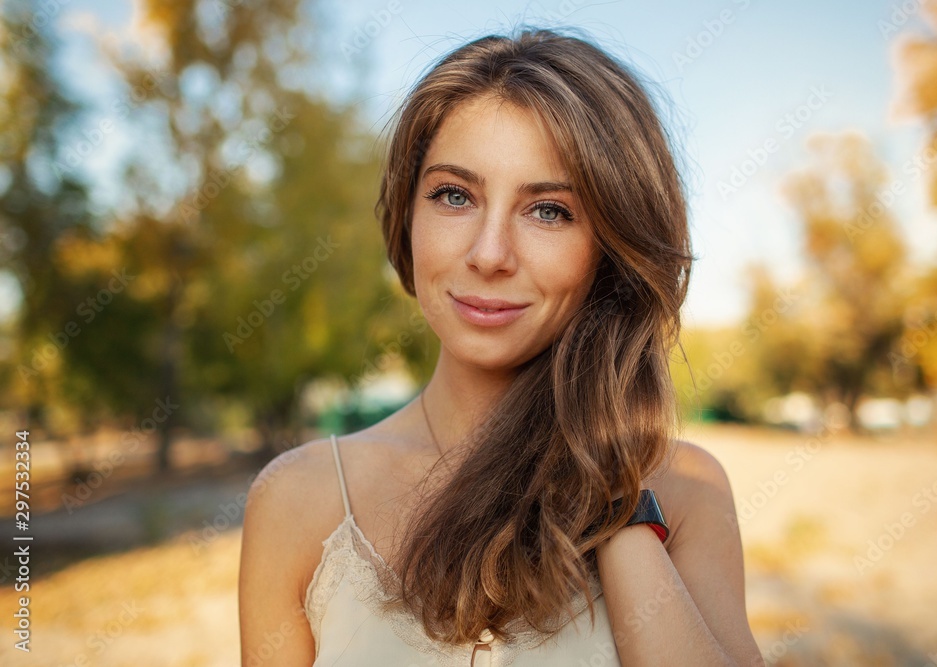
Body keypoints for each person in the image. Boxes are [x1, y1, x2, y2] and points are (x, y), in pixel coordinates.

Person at [239, 27, 763, 666]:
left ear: (612, 250)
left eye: (548, 210)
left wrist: (612, 490)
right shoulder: (298, 498)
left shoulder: (684, 490)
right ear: (408, 218)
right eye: (454, 196)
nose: (489, 254)